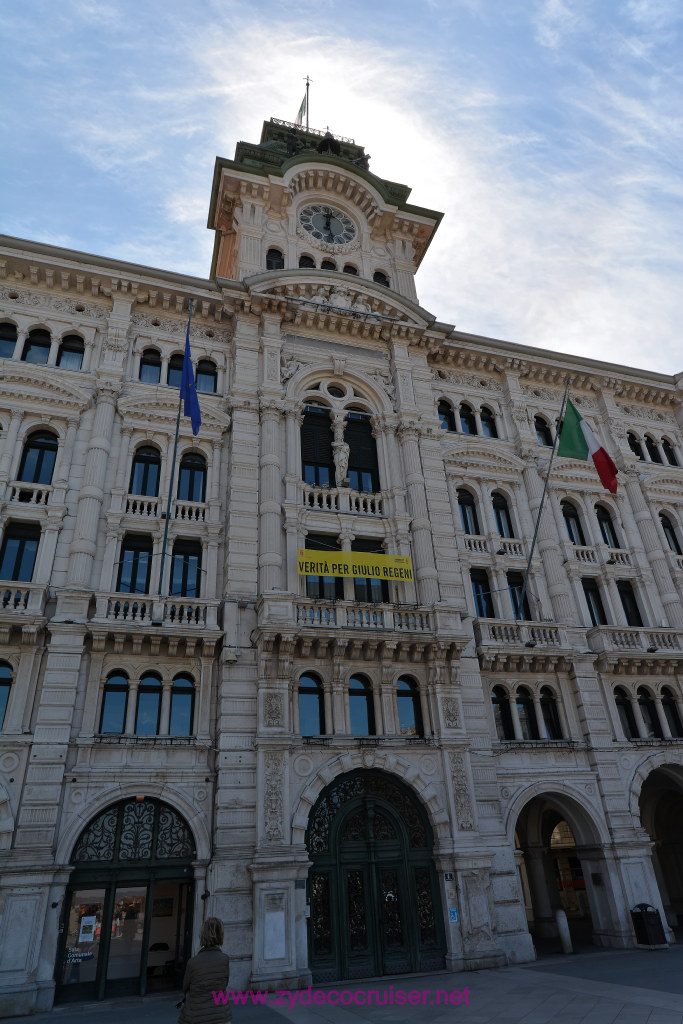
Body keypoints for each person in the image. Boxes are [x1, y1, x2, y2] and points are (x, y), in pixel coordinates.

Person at [178, 917, 231, 1024]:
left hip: (196, 1016)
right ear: (221, 935)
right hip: (221, 1016)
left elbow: (186, 989)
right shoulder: (225, 959)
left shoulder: (192, 962)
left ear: (202, 936)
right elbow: (224, 984)